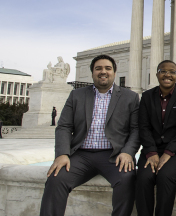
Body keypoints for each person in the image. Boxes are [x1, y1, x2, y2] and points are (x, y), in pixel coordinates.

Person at [40, 54, 140, 216]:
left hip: (114, 156)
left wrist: (128, 152)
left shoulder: (130, 97)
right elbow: (64, 126)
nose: (103, 72)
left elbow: (136, 129)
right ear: (92, 72)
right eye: (98, 68)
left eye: (108, 68)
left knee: (127, 180)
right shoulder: (77, 95)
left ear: (114, 72)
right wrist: (62, 154)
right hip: (81, 155)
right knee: (56, 179)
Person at [136, 60, 176, 216]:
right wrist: (151, 153)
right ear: (157, 74)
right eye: (163, 71)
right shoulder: (147, 96)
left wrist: (168, 153)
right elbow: (144, 126)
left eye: (172, 72)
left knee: (165, 176)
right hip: (152, 149)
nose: (167, 75)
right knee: (143, 178)